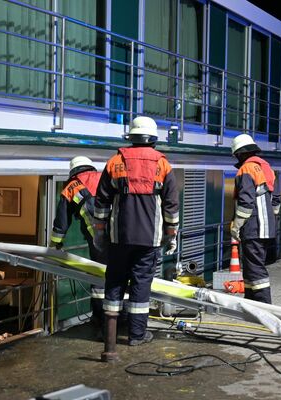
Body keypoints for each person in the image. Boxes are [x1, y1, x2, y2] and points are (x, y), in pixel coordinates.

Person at [93, 116, 180, 362]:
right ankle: (136, 335)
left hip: (118, 238)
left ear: (131, 137)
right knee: (141, 285)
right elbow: (171, 205)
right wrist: (171, 234)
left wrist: (100, 231)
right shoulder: (163, 165)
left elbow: (102, 202)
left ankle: (108, 332)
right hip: (149, 239)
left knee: (115, 282)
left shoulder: (115, 162)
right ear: (152, 139)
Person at [50, 156, 106, 339]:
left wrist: (56, 244)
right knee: (120, 277)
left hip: (98, 240)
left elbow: (62, 221)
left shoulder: (71, 187)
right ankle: (122, 319)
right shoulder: (105, 177)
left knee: (99, 281)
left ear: (73, 171)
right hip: (123, 236)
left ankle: (100, 321)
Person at [230, 134, 281, 303]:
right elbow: (276, 200)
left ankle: (264, 305)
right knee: (252, 266)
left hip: (253, 226)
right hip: (267, 227)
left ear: (239, 153)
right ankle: (251, 301)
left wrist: (236, 226)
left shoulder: (246, 169)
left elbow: (245, 203)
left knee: (256, 269)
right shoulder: (267, 168)